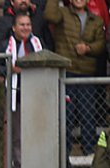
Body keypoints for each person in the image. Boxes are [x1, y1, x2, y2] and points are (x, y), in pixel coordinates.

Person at [45, 0, 106, 157]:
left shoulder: (96, 20)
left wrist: (88, 48)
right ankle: (63, 157)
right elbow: (50, 15)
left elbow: (101, 44)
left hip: (87, 75)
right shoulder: (63, 14)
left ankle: (90, 153)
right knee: (67, 116)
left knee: (89, 115)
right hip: (67, 73)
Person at [0, 11, 43, 168]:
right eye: (22, 25)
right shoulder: (6, 45)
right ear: (14, 27)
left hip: (37, 97)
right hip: (16, 97)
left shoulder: (37, 44)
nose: (26, 28)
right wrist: (10, 70)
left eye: (28, 24)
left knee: (37, 136)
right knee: (18, 138)